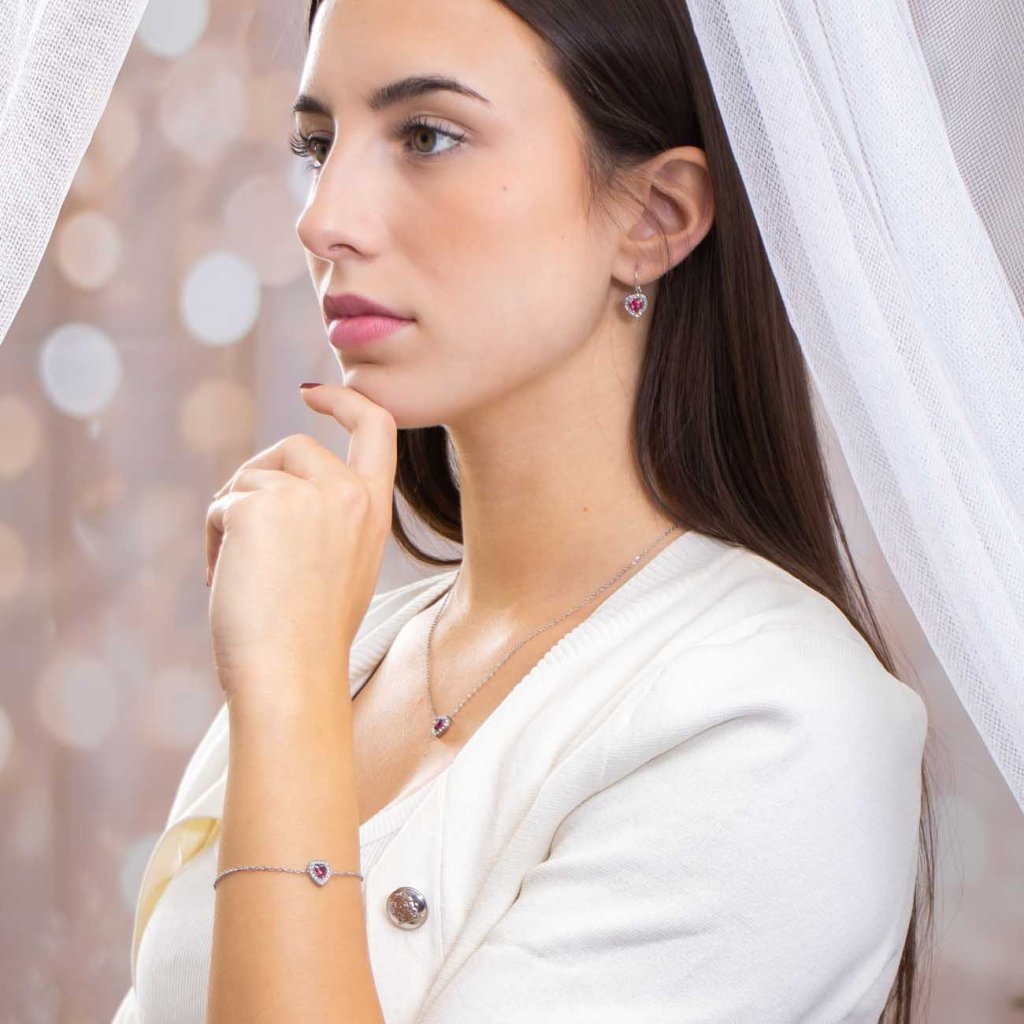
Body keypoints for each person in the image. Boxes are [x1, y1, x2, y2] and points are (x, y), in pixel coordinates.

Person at [113, 0, 934, 1021]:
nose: (321, 218)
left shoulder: (775, 719)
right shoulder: (346, 652)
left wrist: (285, 690)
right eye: (317, 146)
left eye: (426, 135)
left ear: (654, 216)